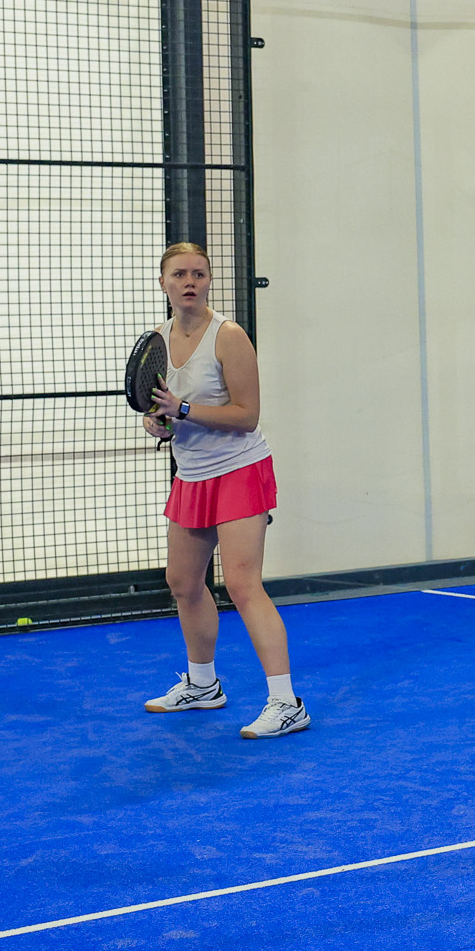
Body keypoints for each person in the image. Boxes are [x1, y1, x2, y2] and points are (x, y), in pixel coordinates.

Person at [140, 242, 310, 740]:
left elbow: (247, 415)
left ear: (209, 281)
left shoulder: (229, 336)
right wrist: (161, 423)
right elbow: (162, 410)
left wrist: (184, 410)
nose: (189, 281)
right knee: (182, 582)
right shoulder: (156, 341)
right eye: (179, 274)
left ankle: (287, 703)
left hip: (240, 468)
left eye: (198, 273)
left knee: (241, 582)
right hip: (192, 473)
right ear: (164, 283)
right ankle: (202, 685)